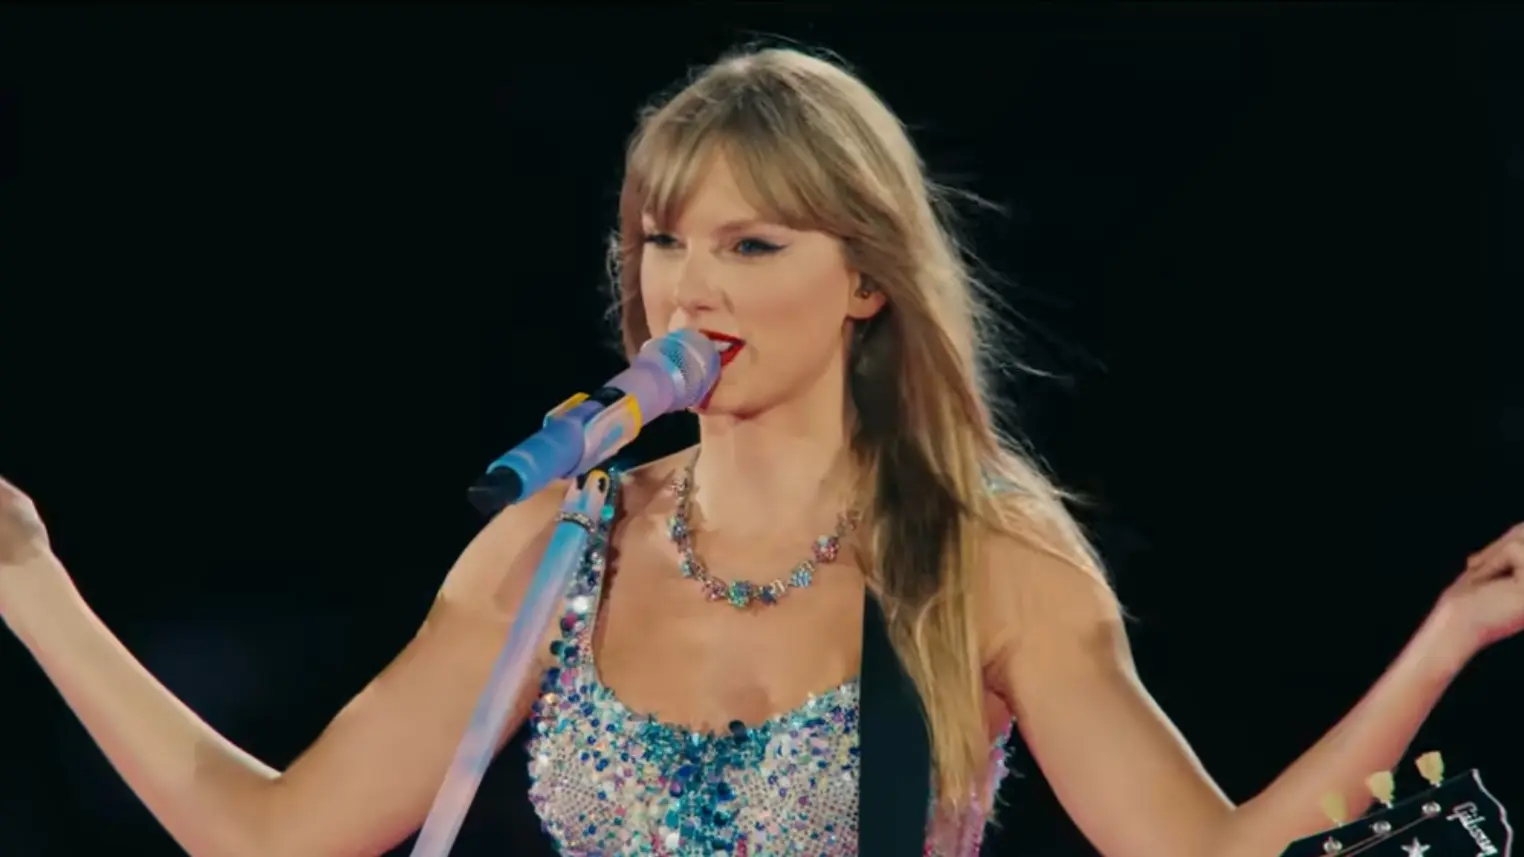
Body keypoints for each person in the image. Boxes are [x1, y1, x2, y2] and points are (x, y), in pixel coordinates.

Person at [0, 44, 1521, 857]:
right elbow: (276, 837)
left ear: (865, 280)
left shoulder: (983, 558)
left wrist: (1445, 640)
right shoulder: (558, 542)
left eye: (750, 240)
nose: (689, 287)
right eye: (663, 241)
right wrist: (32, 589)